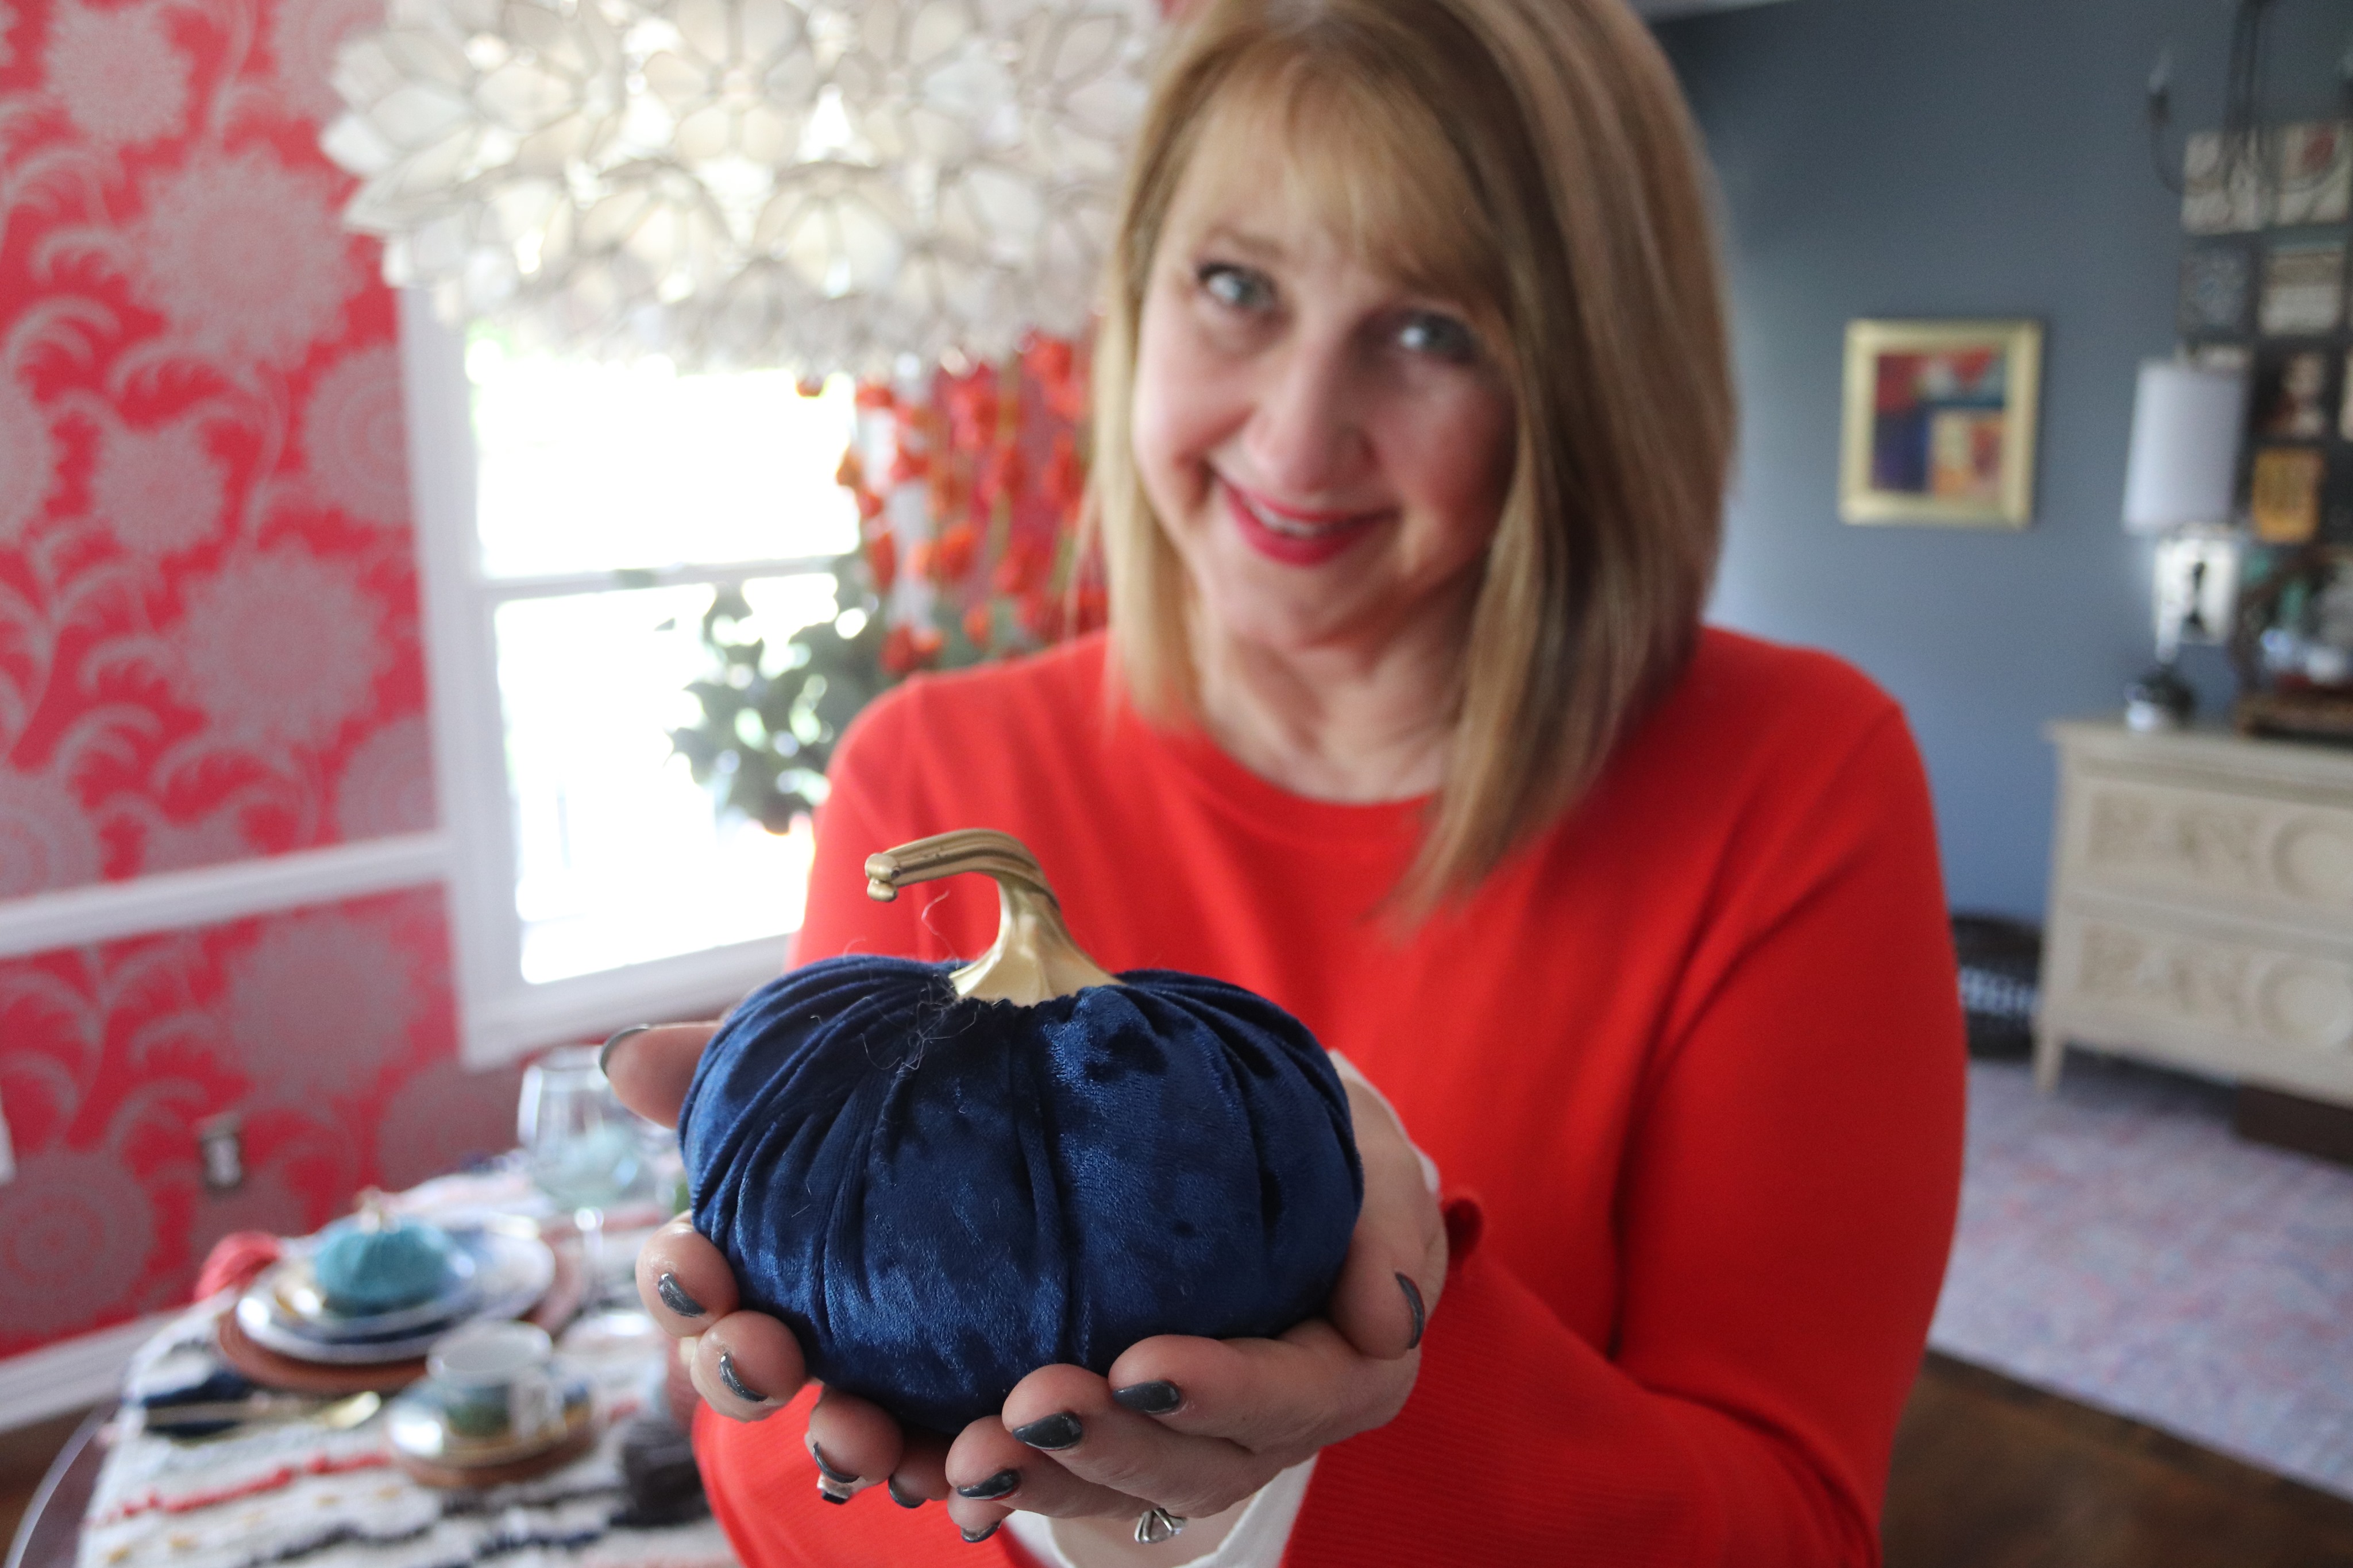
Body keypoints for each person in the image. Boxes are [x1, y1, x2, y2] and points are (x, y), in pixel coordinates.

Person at [603, 0, 1968, 1562]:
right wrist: (1097, 1510)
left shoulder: (1793, 778)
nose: (1298, 435)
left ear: (1586, 383)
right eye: (1238, 287)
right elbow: (782, 1462)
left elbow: (1783, 1529)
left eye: (1432, 329)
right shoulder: (932, 770)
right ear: (1136, 296)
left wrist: (1343, 1388)